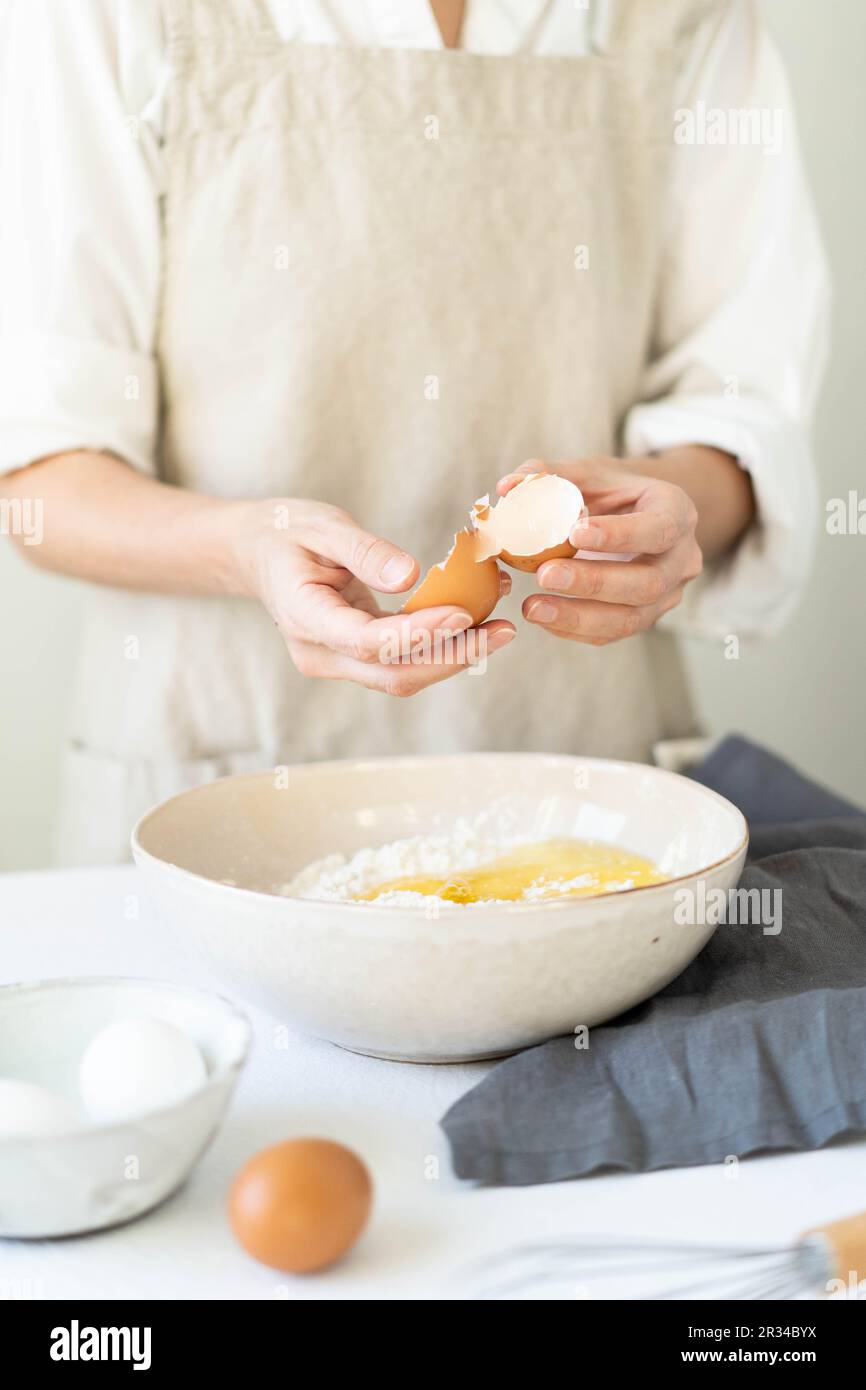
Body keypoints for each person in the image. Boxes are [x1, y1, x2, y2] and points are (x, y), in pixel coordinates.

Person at [0, 0, 829, 864]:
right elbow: (44, 470)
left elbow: (738, 415)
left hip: (585, 791)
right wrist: (247, 546)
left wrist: (657, 516)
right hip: (212, 780)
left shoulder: (687, 18)